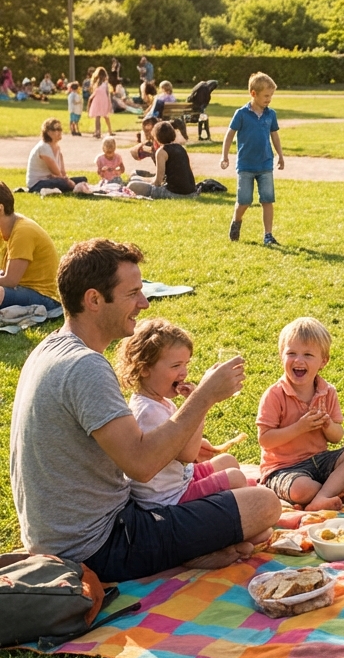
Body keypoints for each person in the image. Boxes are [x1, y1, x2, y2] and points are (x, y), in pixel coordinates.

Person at [9, 239, 281, 582]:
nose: (144, 302)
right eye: (132, 293)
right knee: (265, 504)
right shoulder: (85, 366)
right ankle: (186, 555)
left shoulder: (50, 347)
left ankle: (195, 551)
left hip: (62, 537)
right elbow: (142, 465)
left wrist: (180, 441)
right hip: (98, 546)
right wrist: (205, 397)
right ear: (93, 299)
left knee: (234, 488)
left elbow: (124, 448)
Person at [117, 318, 249, 508]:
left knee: (228, 461)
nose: (184, 373)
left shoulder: (158, 401)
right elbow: (187, 454)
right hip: (168, 498)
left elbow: (178, 443)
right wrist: (201, 400)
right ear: (144, 368)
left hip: (181, 479)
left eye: (185, 364)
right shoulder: (148, 411)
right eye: (176, 366)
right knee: (235, 478)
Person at [257, 317, 344, 511]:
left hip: (320, 461)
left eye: (308, 354)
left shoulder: (327, 392)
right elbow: (265, 440)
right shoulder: (275, 395)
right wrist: (299, 428)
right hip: (283, 469)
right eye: (291, 353)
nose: (299, 360)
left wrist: (327, 425)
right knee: (302, 489)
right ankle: (334, 492)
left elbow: (337, 437)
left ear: (323, 361)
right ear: (281, 356)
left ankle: (322, 496)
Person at [221, 72, 284, 246]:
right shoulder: (241, 114)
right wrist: (224, 155)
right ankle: (236, 220)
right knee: (244, 200)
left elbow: (275, 136)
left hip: (265, 164)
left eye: (271, 96)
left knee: (267, 200)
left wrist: (280, 155)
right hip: (246, 166)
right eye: (266, 96)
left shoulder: (270, 115)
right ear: (253, 94)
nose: (269, 99)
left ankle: (268, 235)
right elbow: (229, 135)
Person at [0, 180, 62, 315]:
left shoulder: (23, 232)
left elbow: (10, 280)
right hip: (20, 288)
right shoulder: (5, 228)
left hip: (45, 298)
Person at [127, 121, 196, 199]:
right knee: (135, 179)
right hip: (192, 191)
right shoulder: (180, 148)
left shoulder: (161, 152)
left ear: (156, 137)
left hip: (175, 193)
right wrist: (144, 180)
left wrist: (145, 182)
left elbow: (158, 182)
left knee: (132, 185)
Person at [26, 118, 83, 194]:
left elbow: (62, 172)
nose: (60, 132)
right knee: (64, 183)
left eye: (60, 129)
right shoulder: (44, 147)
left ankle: (74, 186)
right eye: (56, 129)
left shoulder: (57, 147)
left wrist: (66, 179)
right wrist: (66, 181)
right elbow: (56, 172)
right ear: (48, 132)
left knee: (83, 179)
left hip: (52, 179)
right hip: (37, 184)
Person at [88, 67, 113, 138]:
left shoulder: (96, 84)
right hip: (104, 101)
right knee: (105, 115)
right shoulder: (105, 84)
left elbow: (94, 93)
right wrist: (109, 102)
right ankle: (109, 130)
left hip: (97, 101)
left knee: (97, 117)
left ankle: (97, 131)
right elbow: (107, 93)